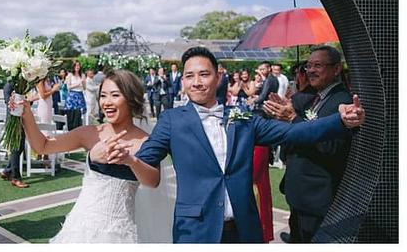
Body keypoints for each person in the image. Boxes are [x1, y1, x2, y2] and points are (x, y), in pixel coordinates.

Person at [114, 47, 365, 243]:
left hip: (245, 229)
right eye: (189, 76)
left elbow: (295, 133)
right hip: (196, 232)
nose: (196, 82)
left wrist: (341, 121)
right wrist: (121, 158)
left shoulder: (242, 117)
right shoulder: (171, 120)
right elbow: (145, 163)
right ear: (183, 82)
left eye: (204, 74)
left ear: (218, 77)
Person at [19, 69, 152, 242]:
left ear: (130, 98)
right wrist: (27, 115)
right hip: (81, 229)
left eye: (115, 95)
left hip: (121, 233)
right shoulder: (89, 133)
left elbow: (153, 181)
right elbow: (42, 146)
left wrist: (131, 161)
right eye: (103, 96)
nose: (107, 102)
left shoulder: (144, 141)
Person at [263, 46, 353, 243]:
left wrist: (293, 118)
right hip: (301, 196)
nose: (310, 70)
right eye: (308, 65)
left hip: (317, 197)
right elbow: (304, 129)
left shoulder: (342, 102)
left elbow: (331, 146)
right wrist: (286, 115)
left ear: (336, 69)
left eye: (318, 65)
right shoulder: (317, 98)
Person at [65, 61, 87, 129]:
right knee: (71, 114)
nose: (77, 67)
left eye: (78, 65)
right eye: (76, 66)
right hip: (72, 95)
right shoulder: (70, 75)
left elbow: (84, 88)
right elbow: (68, 87)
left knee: (78, 114)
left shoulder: (82, 75)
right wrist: (78, 83)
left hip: (80, 95)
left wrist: (83, 82)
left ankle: (78, 129)